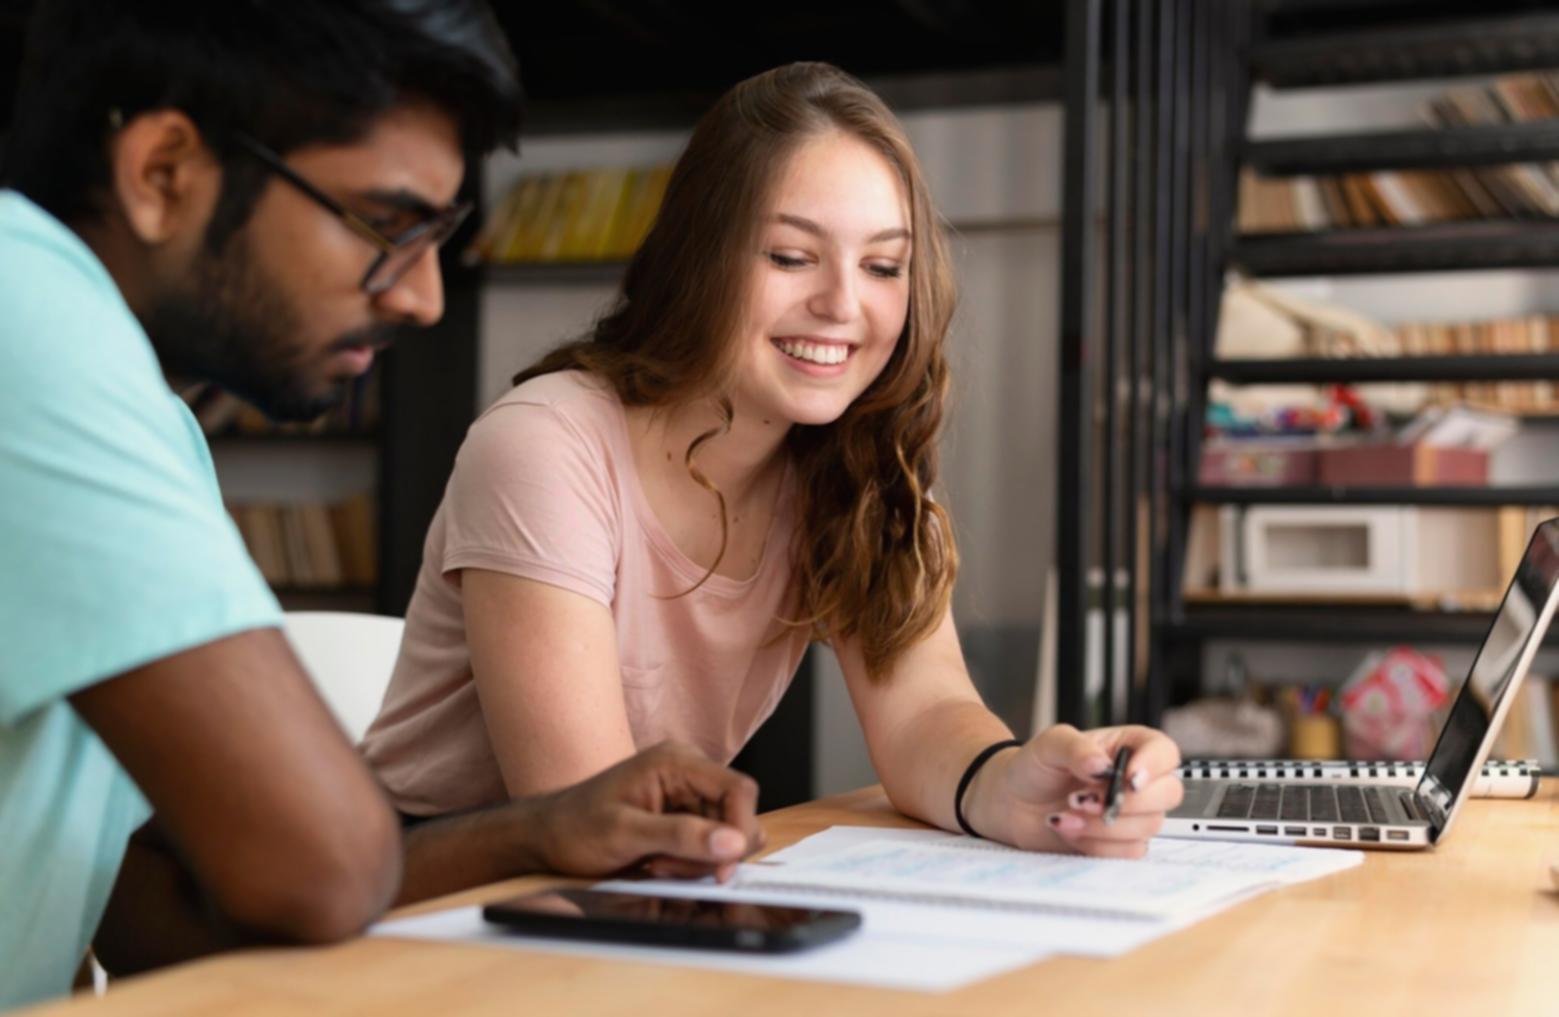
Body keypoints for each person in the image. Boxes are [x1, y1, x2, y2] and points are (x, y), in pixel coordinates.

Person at [0, 3, 760, 1009]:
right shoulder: (24, 311)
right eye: (385, 225)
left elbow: (157, 913)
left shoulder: (148, 411)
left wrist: (541, 829)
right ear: (163, 172)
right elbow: (318, 867)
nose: (422, 297)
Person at [362, 62, 1184, 858]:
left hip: (629, 882)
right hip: (425, 893)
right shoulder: (546, 444)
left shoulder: (857, 462)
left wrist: (1022, 787)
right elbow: (584, 810)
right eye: (790, 256)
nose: (841, 304)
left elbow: (923, 713)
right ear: (698, 257)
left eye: (882, 266)